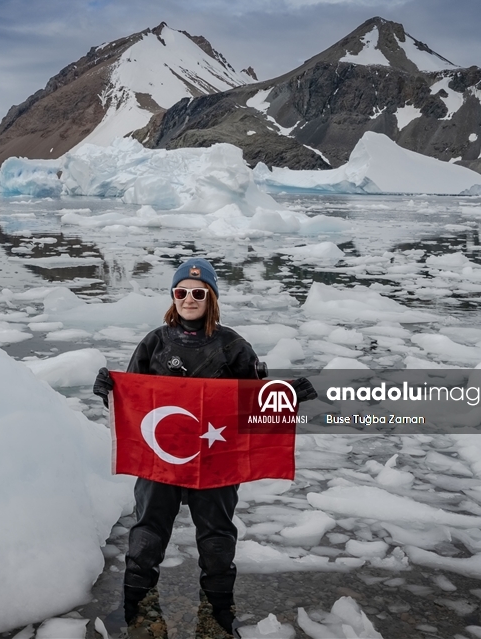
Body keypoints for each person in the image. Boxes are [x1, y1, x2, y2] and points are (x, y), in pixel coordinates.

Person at [94, 258, 316, 637]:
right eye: (181, 292)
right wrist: (110, 391)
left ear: (211, 297)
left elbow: (256, 401)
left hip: (215, 460)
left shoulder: (232, 346)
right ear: (173, 297)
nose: (189, 298)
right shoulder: (155, 342)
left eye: (198, 293)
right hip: (161, 458)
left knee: (216, 540)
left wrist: (289, 393)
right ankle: (135, 608)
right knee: (147, 535)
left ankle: (218, 613)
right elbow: (134, 400)